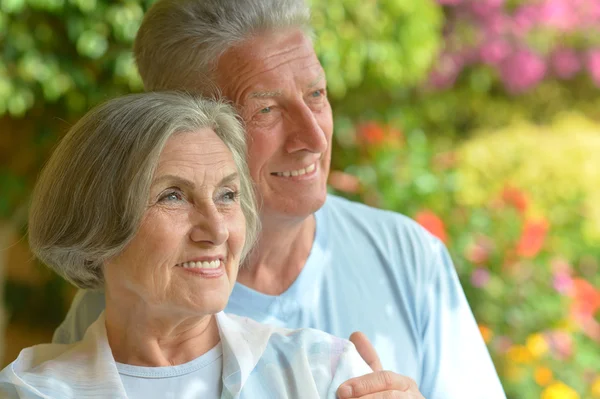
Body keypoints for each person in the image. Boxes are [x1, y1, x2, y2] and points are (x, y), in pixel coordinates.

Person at [53, 0, 507, 398]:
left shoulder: (407, 255)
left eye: (316, 95)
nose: (313, 137)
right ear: (190, 122)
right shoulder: (123, 303)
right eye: (265, 109)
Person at [0, 92, 373, 398]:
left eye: (227, 195)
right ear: (96, 223)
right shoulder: (32, 391)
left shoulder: (323, 372)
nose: (216, 230)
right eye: (173, 196)